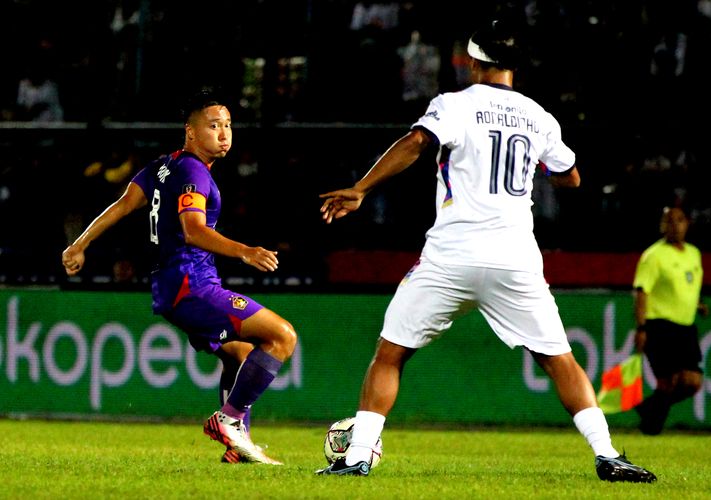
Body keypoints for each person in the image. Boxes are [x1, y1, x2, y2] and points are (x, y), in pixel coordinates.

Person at [315, 20, 656, 483]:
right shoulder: (540, 118)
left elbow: (417, 142)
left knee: (390, 354)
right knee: (560, 361)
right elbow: (571, 176)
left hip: (451, 256)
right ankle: (608, 454)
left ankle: (357, 457)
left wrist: (361, 188)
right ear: (515, 65)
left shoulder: (456, 105)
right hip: (514, 258)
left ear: (472, 61)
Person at [61, 89, 297, 465]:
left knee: (239, 356)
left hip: (173, 288)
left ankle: (238, 448)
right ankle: (229, 421)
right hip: (193, 285)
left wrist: (79, 244)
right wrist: (246, 251)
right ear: (190, 131)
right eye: (214, 126)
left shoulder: (163, 166)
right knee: (282, 336)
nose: (224, 133)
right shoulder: (192, 171)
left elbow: (123, 205)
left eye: (228, 126)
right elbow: (194, 231)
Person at [633, 206, 707, 435]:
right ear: (662, 226)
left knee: (692, 382)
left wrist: (698, 304)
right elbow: (641, 291)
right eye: (669, 221)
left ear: (687, 224)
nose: (674, 225)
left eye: (679, 220)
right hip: (659, 325)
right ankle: (651, 428)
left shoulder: (693, 253)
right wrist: (642, 327)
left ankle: (648, 409)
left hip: (686, 327)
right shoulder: (653, 256)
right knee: (668, 381)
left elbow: (686, 286)